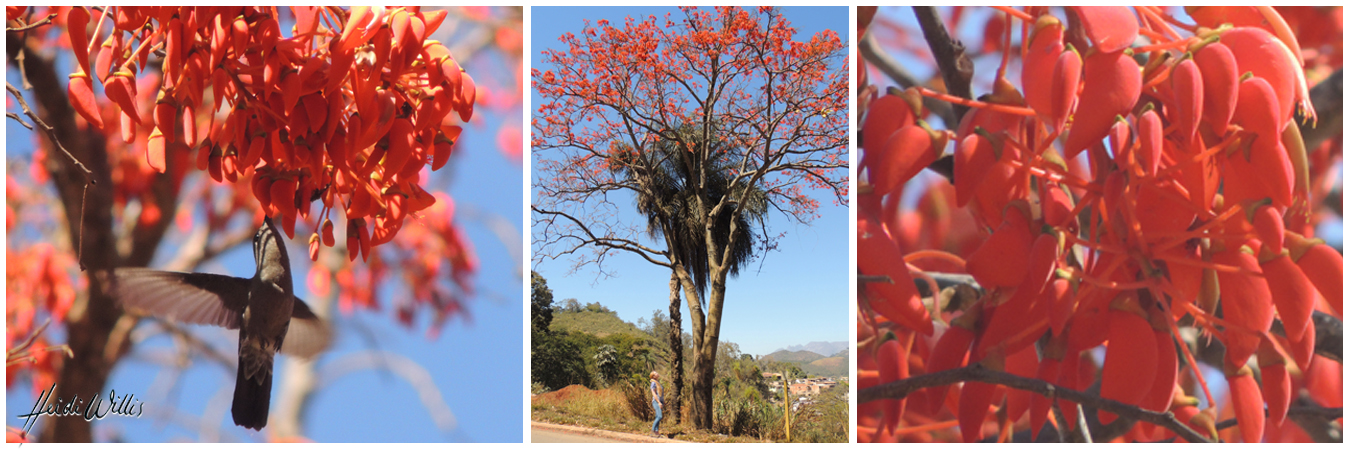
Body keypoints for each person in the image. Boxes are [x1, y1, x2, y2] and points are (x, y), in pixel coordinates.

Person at [650, 371, 664, 438]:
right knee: (659, 416)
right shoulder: (653, 383)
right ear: (653, 376)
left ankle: (656, 432)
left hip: (660, 401)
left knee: (657, 416)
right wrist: (658, 402)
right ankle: (652, 431)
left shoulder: (658, 383)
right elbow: (654, 393)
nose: (657, 374)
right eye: (655, 373)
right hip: (656, 401)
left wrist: (662, 401)